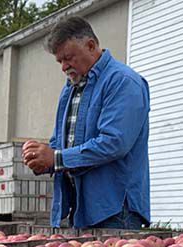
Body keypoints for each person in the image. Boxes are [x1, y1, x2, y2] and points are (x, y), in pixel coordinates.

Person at [22, 16, 151, 229]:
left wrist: (55, 158)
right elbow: (59, 145)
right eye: (59, 61)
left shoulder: (123, 82)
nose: (64, 66)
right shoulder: (71, 87)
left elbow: (114, 143)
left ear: (91, 46)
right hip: (80, 209)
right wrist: (40, 158)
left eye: (68, 57)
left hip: (115, 213)